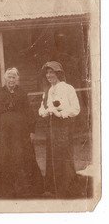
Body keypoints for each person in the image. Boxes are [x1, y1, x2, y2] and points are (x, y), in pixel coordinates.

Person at [0, 67, 44, 198]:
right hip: (4, 129)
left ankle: (24, 189)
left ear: (17, 79)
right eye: (9, 77)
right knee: (5, 157)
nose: (11, 80)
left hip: (20, 130)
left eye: (14, 77)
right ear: (5, 78)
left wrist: (32, 130)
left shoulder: (22, 92)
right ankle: (7, 190)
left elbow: (28, 112)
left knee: (21, 155)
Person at [38, 61, 80, 198]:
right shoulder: (48, 90)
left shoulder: (68, 88)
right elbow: (42, 107)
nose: (49, 75)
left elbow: (75, 109)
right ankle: (54, 189)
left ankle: (68, 190)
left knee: (64, 156)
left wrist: (60, 113)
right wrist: (45, 111)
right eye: (48, 73)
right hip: (51, 126)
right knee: (52, 156)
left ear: (58, 73)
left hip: (63, 126)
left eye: (52, 72)